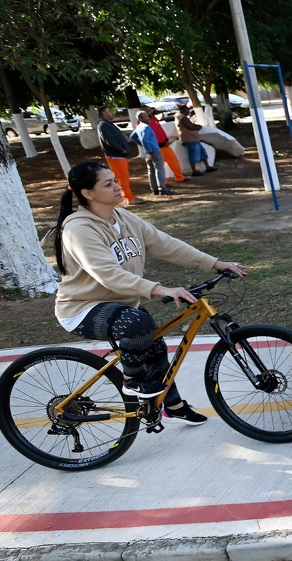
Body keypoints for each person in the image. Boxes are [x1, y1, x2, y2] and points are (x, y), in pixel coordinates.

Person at [53, 161, 247, 423]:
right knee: (138, 324)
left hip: (121, 303)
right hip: (82, 307)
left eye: (115, 181)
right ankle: (132, 380)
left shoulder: (124, 218)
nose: (117, 187)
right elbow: (107, 274)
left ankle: (173, 406)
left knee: (154, 347)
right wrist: (157, 289)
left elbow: (166, 244)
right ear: (87, 193)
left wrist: (214, 263)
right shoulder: (78, 229)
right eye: (108, 184)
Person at [96, 106, 135, 203]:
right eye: (109, 111)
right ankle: (128, 197)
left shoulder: (107, 124)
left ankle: (126, 195)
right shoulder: (103, 124)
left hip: (119, 155)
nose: (112, 112)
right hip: (116, 155)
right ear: (104, 113)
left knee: (124, 176)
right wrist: (121, 150)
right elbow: (109, 140)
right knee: (122, 177)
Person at [130, 111, 171, 196]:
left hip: (147, 152)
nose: (148, 118)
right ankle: (162, 188)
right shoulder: (146, 127)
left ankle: (154, 189)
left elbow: (132, 137)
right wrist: (150, 149)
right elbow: (144, 139)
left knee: (151, 170)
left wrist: (143, 146)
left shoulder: (139, 127)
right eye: (145, 116)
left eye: (147, 116)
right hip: (154, 151)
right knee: (159, 169)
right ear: (140, 119)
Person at [146, 107, 186, 184]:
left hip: (165, 145)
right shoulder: (142, 123)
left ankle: (179, 177)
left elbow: (160, 130)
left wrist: (166, 139)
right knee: (160, 166)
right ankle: (163, 182)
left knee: (174, 162)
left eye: (150, 110)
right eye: (148, 111)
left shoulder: (153, 118)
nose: (150, 112)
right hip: (156, 147)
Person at [176, 106, 215, 175]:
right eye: (187, 110)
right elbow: (190, 127)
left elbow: (191, 125)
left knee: (203, 153)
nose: (188, 112)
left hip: (194, 139)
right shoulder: (181, 117)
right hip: (189, 139)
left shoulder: (182, 117)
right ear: (184, 110)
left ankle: (207, 167)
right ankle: (194, 171)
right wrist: (197, 127)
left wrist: (195, 126)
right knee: (193, 154)